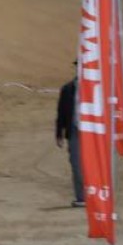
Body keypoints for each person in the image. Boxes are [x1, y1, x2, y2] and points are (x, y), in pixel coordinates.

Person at [55, 74, 85, 207]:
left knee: (94, 164)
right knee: (76, 164)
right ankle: (82, 197)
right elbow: (61, 112)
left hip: (94, 131)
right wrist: (59, 133)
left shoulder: (98, 85)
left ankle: (98, 195)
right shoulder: (67, 89)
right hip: (74, 130)